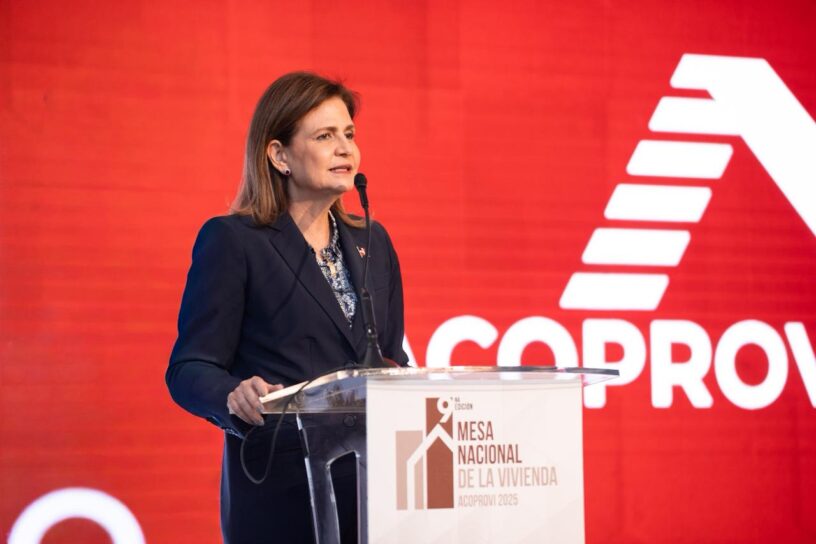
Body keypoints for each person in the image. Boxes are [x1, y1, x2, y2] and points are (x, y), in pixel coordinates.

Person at [166, 72, 409, 543]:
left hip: (374, 494)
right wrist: (233, 393)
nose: (345, 149)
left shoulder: (373, 241)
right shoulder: (234, 241)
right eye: (325, 136)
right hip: (282, 492)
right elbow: (189, 367)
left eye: (349, 134)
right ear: (279, 155)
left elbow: (391, 357)